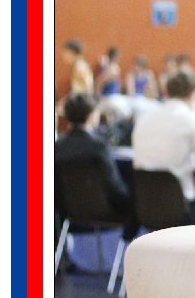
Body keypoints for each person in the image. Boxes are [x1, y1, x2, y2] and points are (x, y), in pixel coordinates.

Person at [131, 71, 195, 225]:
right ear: (194, 94)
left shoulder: (143, 118)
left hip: (144, 206)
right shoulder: (193, 119)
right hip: (181, 208)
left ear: (167, 92)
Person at [55, 92, 138, 242]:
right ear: (91, 116)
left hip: (67, 211)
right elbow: (115, 189)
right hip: (106, 211)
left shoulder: (56, 147)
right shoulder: (99, 148)